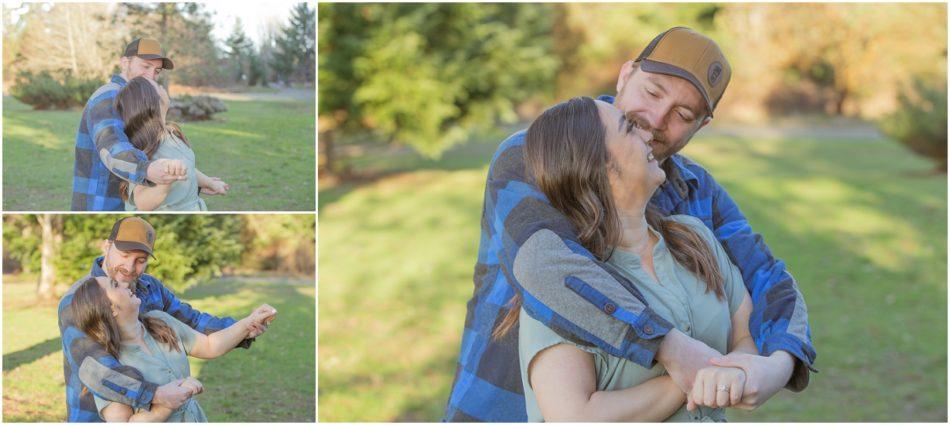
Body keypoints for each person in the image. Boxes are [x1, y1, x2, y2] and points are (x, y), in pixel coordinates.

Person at [444, 27, 817, 422]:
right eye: (653, 92)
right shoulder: (538, 152)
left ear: (700, 126)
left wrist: (777, 365)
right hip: (501, 408)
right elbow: (544, 265)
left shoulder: (694, 192)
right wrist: (674, 351)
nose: (655, 120)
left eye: (683, 114)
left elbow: (767, 279)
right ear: (625, 75)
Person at [509, 96, 755, 421]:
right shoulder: (565, 285)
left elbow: (746, 336)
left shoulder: (694, 237)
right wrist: (698, 378)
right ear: (596, 163)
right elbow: (575, 417)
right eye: (629, 129)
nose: (648, 135)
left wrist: (732, 371)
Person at [58, 217, 271, 422]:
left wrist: (245, 326)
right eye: (124, 255)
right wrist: (158, 395)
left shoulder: (148, 287)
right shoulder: (77, 302)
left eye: (141, 261)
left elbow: (193, 322)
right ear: (107, 246)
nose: (130, 268)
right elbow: (98, 370)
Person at [70, 275, 275, 422]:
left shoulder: (160, 320)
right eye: (115, 285)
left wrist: (248, 323)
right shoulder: (110, 364)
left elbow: (210, 345)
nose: (125, 282)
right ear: (111, 309)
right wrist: (166, 405)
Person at [72, 37, 188, 211]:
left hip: (130, 202)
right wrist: (146, 169)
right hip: (102, 203)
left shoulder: (138, 98)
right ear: (125, 63)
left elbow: (151, 147)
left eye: (157, 71)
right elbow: (112, 148)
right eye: (145, 66)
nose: (151, 76)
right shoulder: (110, 96)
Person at [114, 76, 229, 211]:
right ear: (150, 101)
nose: (162, 86)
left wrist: (210, 183)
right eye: (157, 86)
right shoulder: (142, 149)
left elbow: (187, 167)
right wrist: (165, 182)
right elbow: (142, 203)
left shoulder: (169, 133)